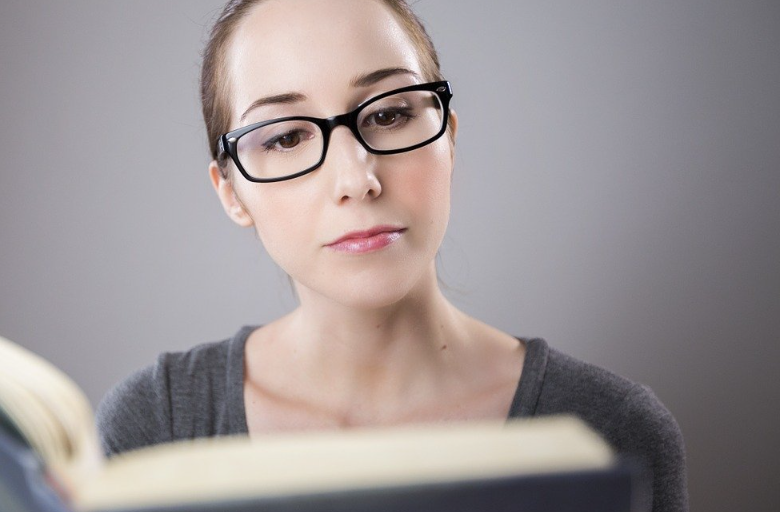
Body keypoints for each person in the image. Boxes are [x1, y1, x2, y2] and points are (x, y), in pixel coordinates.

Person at [96, 1, 688, 511]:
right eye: (285, 136)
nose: (356, 178)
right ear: (231, 192)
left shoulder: (612, 430)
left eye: (388, 114)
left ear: (449, 137)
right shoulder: (157, 424)